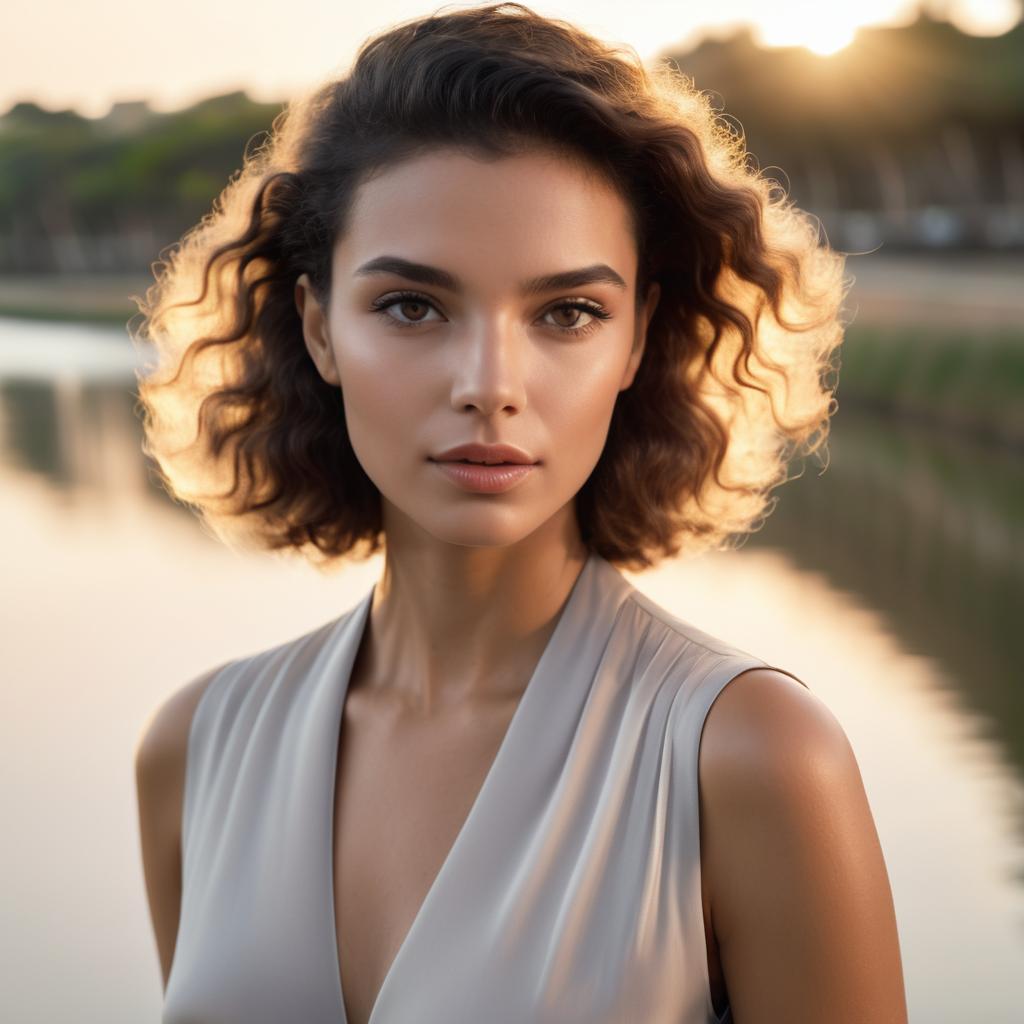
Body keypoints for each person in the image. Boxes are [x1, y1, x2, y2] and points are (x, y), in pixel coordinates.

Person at [132, 4, 907, 1022]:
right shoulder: (195, 748)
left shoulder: (751, 756)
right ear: (319, 329)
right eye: (412, 305)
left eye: (567, 313)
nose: (490, 384)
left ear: (636, 341)